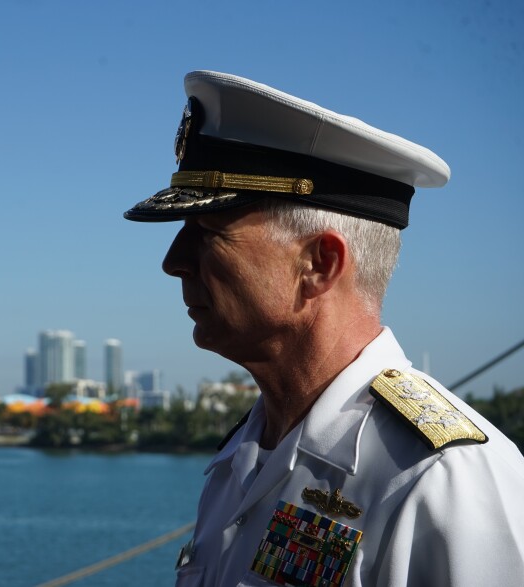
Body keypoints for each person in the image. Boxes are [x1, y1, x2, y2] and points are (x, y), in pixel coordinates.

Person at [125, 71, 524, 586]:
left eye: (206, 234)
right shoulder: (240, 457)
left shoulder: (442, 481)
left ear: (319, 262)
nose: (173, 262)